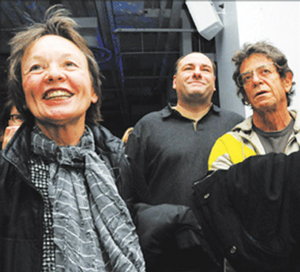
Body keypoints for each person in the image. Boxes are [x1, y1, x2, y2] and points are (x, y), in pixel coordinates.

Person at [0, 5, 145, 272]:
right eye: (36, 67)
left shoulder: (120, 164)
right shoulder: (6, 174)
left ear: (93, 91)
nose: (54, 75)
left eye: (69, 64)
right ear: (23, 97)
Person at [125, 52, 244, 271]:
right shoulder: (148, 127)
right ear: (174, 82)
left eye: (205, 69)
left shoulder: (236, 125)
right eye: (188, 68)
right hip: (167, 256)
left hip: (226, 257)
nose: (197, 73)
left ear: (214, 84)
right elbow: (128, 194)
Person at [208, 41, 299, 171]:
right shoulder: (228, 145)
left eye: (265, 71)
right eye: (247, 78)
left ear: (287, 81)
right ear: (245, 96)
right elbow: (219, 189)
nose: (256, 81)